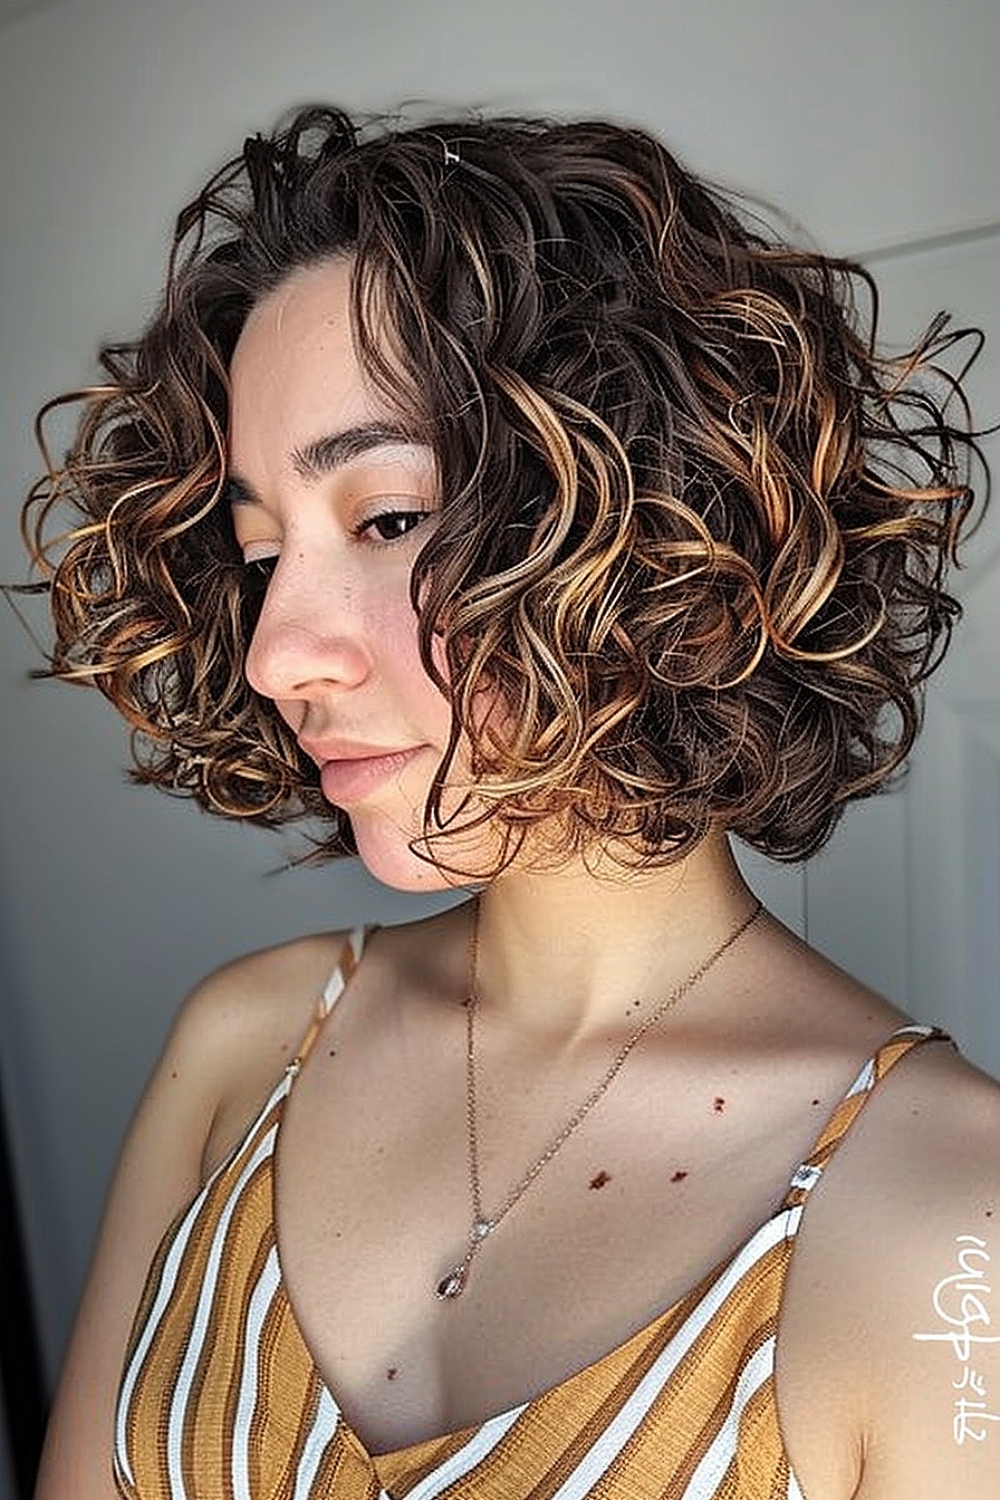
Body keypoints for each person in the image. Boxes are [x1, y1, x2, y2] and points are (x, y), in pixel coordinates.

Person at [23, 105, 1000, 1500]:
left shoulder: (954, 1220)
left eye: (388, 519)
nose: (275, 651)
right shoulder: (245, 1050)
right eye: (257, 552)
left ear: (658, 526)